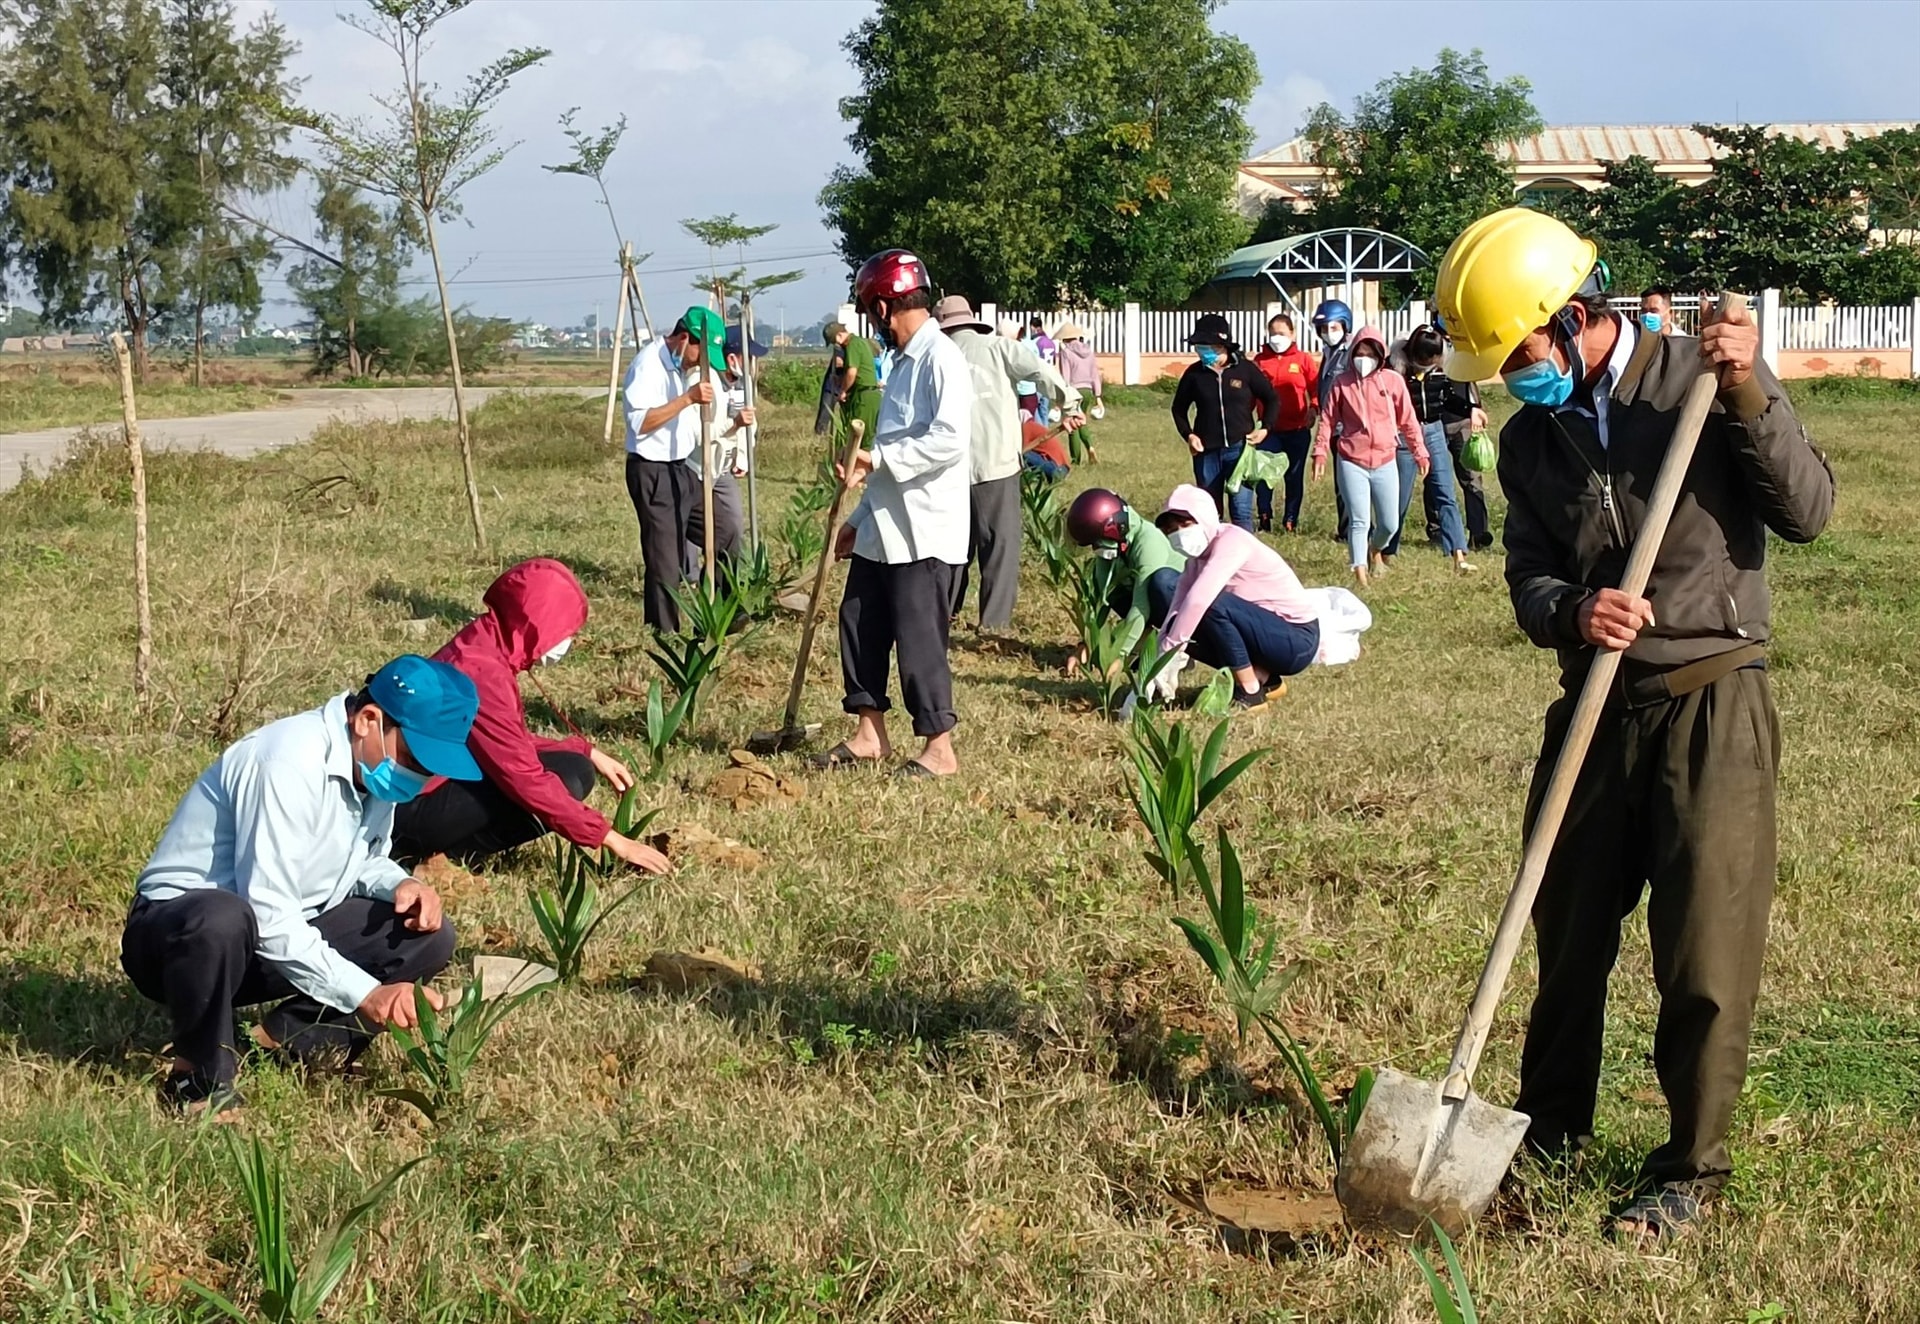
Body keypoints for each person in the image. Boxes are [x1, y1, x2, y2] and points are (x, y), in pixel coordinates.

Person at [1435, 207, 1834, 1243]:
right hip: (1594, 710)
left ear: (1568, 316)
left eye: (1516, 350)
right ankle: (1551, 1132)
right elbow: (1527, 570)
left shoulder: (1699, 383)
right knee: (1564, 937)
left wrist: (1747, 387)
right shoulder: (1532, 440)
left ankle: (1689, 1168)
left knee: (1704, 950)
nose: (1512, 376)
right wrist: (1574, 609)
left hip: (1712, 699)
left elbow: (1809, 509)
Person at [120, 655, 482, 1115]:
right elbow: (267, 910)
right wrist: (367, 993)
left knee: (427, 937)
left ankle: (279, 1042)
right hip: (180, 940)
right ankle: (197, 1077)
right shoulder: (287, 762)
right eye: (416, 759)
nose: (421, 778)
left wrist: (400, 884)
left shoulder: (369, 769)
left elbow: (361, 858)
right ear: (368, 721)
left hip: (270, 934)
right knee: (222, 918)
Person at [392, 560, 672, 875]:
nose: (567, 642)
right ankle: (444, 855)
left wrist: (585, 750)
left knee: (576, 767)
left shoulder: (483, 642)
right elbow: (522, 776)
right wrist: (612, 839)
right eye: (564, 631)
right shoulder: (484, 674)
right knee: (561, 782)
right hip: (409, 807)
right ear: (538, 624)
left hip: (419, 790)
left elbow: (501, 737)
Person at [815, 248, 972, 778]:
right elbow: (885, 455)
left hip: (926, 530)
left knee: (918, 637)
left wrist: (878, 458)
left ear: (884, 306)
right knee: (857, 619)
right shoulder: (900, 363)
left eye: (870, 309)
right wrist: (856, 520)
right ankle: (868, 732)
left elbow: (948, 440)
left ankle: (939, 747)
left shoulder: (940, 359)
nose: (871, 320)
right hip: (884, 526)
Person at [934, 295, 1080, 632]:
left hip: (947, 469)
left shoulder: (936, 356)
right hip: (995, 465)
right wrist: (1070, 403)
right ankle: (993, 624)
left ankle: (944, 613)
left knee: (953, 547)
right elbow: (1040, 370)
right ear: (971, 321)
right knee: (999, 546)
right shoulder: (999, 348)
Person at [1150, 485, 1322, 711]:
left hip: (1297, 639)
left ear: (1205, 518)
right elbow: (1176, 608)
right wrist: (1160, 658)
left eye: (1186, 524)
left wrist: (1173, 648)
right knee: (1183, 623)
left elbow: (1199, 599)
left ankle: (1251, 692)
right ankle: (1266, 680)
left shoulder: (1232, 542)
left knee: (1209, 605)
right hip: (1266, 633)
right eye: (1173, 529)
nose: (1180, 534)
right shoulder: (1195, 561)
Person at [621, 305, 727, 634]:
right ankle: (664, 631)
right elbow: (640, 423)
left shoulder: (680, 366)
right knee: (665, 559)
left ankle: (724, 612)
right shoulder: (648, 365)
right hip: (652, 471)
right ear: (684, 339)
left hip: (682, 470)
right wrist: (687, 399)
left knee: (724, 532)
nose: (700, 363)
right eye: (701, 354)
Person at [1311, 326, 1426, 587]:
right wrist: (1319, 453)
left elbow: (1408, 420)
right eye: (1359, 353)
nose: (1364, 359)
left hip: (1386, 459)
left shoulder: (1393, 381)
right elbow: (1328, 420)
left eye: (1370, 354)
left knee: (1389, 524)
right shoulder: (1342, 383)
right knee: (1359, 520)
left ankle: (1375, 550)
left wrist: (1420, 452)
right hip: (1352, 460)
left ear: (1380, 355)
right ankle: (1360, 573)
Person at [1170, 313, 1279, 533]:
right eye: (1198, 347)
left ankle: (1245, 561)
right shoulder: (1194, 374)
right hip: (1206, 452)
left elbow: (1272, 398)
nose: (1202, 351)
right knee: (1210, 512)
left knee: (1241, 510)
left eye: (1206, 346)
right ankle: (1214, 557)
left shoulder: (1246, 370)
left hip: (1240, 451)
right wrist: (1189, 435)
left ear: (1222, 345)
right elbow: (1178, 409)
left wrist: (1265, 428)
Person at [1386, 325, 1477, 574]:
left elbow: (1447, 397)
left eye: (1435, 360)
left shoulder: (1439, 371)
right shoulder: (1393, 372)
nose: (1430, 365)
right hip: (1404, 435)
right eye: (1426, 360)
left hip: (1434, 431)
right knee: (1399, 499)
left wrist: (1472, 409)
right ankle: (1385, 552)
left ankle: (1458, 554)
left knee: (1445, 493)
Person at [1064, 487, 1185, 667]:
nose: (1095, 549)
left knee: (1157, 583)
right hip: (1149, 603)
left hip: (1177, 604)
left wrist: (1119, 656)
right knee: (1115, 591)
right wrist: (1086, 645)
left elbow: (1141, 606)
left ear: (1114, 527)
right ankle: (1143, 641)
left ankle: (1172, 647)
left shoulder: (1148, 543)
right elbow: (1101, 598)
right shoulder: (1111, 543)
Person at [684, 324, 763, 593]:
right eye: (747, 356)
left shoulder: (743, 386)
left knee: (732, 525)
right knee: (694, 529)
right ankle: (691, 578)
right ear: (731, 358)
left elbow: (748, 425)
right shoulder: (704, 383)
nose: (752, 363)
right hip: (695, 467)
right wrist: (733, 425)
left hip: (722, 467)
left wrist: (742, 457)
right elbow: (699, 431)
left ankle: (725, 582)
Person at [1251, 313, 1319, 532]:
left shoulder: (1303, 359)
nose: (1276, 338)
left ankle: (1291, 519)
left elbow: (1315, 388)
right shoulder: (1259, 361)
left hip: (1297, 430)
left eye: (1281, 333)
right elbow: (1250, 393)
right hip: (1268, 431)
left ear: (1292, 334)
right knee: (1264, 475)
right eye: (1272, 333)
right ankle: (1264, 515)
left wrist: (1314, 408)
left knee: (1294, 476)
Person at [1312, 298, 1356, 540]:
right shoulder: (1329, 352)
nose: (1329, 333)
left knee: (1348, 481)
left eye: (1334, 327)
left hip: (1347, 427)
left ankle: (1352, 530)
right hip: (1332, 426)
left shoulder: (1351, 353)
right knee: (1341, 482)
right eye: (1324, 328)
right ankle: (1346, 529)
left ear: (1345, 326)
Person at [1053, 321, 1104, 463]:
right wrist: (1098, 396)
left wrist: (1062, 397)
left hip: (1074, 390)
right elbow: (1095, 374)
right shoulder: (1089, 352)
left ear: (1065, 339)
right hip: (1088, 390)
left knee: (1072, 425)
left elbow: (1066, 377)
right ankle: (1090, 447)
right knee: (1081, 421)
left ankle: (1076, 459)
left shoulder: (1066, 352)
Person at [827, 320, 881, 445]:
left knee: (861, 438)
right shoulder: (858, 343)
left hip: (864, 396)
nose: (836, 345)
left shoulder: (853, 344)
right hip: (863, 394)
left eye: (833, 341)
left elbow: (852, 372)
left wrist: (843, 391)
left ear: (839, 336)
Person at [815, 322, 849, 437]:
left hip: (841, 385)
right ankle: (821, 436)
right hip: (833, 385)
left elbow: (840, 363)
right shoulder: (841, 347)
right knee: (825, 415)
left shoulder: (843, 345)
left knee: (832, 414)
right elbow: (839, 363)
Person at [1021, 417, 1071, 481]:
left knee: (1021, 454)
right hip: (1063, 466)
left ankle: (1031, 477)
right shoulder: (1031, 426)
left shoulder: (1025, 428)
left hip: (1057, 468)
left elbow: (1022, 451)